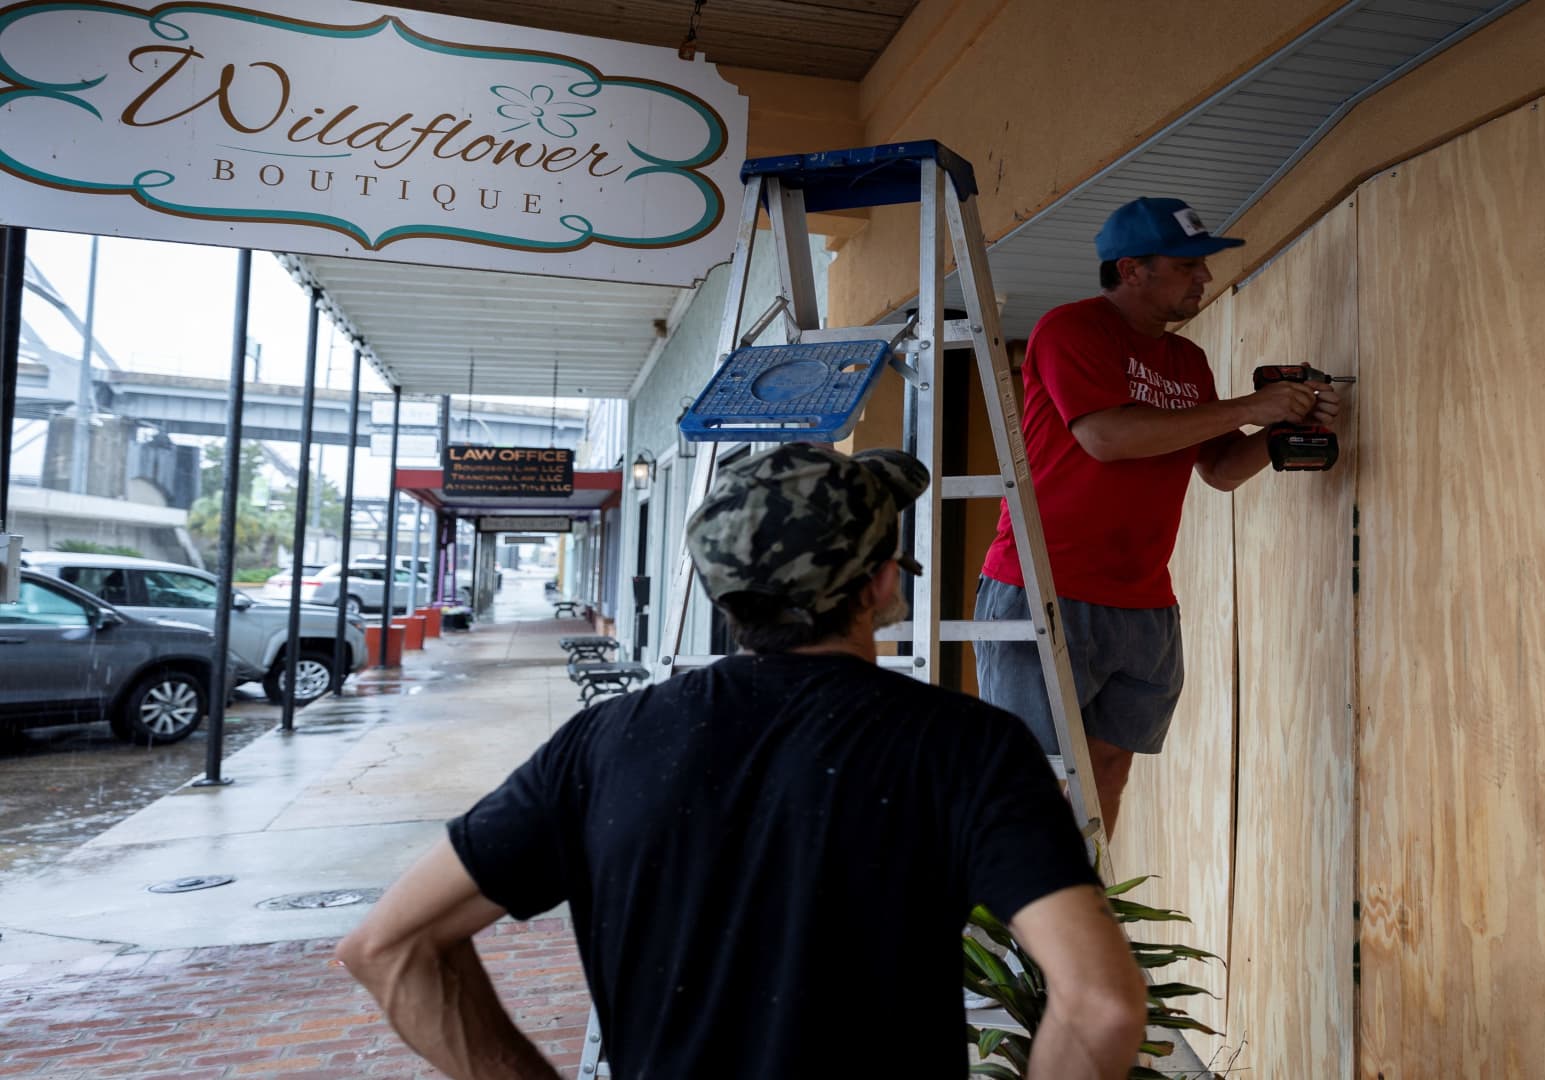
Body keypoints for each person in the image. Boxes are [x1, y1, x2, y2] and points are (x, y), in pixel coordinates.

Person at [337, 443, 1147, 1080]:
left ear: (726, 595)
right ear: (883, 587)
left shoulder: (603, 743)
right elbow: (1101, 1004)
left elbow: (387, 948)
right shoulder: (967, 747)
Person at [975, 196, 1343, 840]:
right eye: (1187, 264)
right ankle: (1012, 936)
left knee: (1107, 772)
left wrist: (1282, 428)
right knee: (1029, 776)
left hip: (1143, 600)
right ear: (1132, 270)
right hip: (1044, 586)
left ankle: (1085, 910)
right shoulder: (1071, 328)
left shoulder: (1188, 362)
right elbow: (1107, 437)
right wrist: (1249, 406)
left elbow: (1221, 470)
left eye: (1203, 265)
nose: (1203, 277)